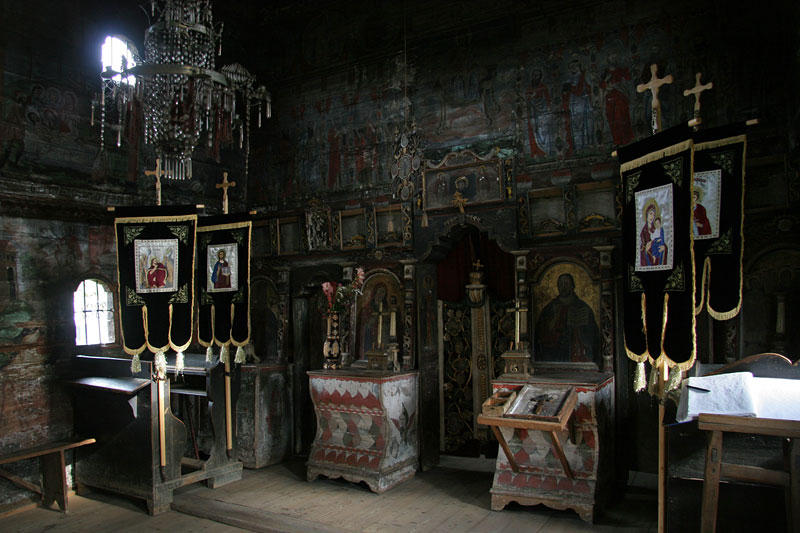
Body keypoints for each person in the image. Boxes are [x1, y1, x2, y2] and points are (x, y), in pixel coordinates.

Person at [534, 273, 601, 366]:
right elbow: (539, 332)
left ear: (572, 286)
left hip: (576, 352)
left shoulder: (582, 307)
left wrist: (578, 329)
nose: (563, 287)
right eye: (561, 284)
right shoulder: (550, 308)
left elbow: (592, 334)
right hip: (553, 353)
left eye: (566, 283)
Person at [640, 202, 667, 266]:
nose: (652, 216)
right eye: (650, 214)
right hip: (649, 258)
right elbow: (642, 248)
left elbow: (662, 242)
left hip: (658, 256)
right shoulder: (644, 231)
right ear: (646, 214)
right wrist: (646, 249)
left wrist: (664, 248)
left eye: (654, 215)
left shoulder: (656, 229)